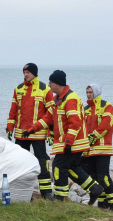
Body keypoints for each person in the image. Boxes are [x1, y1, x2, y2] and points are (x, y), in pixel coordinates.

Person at [24, 70, 103, 203]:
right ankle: (95, 189)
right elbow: (47, 118)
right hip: (68, 143)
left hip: (73, 143)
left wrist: (69, 143)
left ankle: (60, 198)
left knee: (58, 167)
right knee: (71, 168)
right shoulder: (57, 100)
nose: (49, 86)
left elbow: (75, 122)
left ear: (57, 83)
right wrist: (32, 129)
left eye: (51, 83)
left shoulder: (70, 98)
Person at [6, 63, 55, 200]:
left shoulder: (45, 89)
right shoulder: (18, 89)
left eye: (28, 72)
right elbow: (13, 110)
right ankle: (22, 192)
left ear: (34, 73)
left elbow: (50, 112)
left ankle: (46, 192)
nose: (25, 75)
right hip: (21, 134)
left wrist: (45, 130)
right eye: (24, 72)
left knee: (42, 162)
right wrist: (10, 127)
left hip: (37, 134)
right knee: (20, 163)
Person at [82, 84, 113, 211]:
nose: (88, 94)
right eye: (87, 92)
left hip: (103, 149)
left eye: (90, 92)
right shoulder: (85, 109)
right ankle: (102, 205)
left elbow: (106, 125)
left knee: (103, 178)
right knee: (94, 178)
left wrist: (93, 136)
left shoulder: (107, 106)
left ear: (96, 92)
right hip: (89, 150)